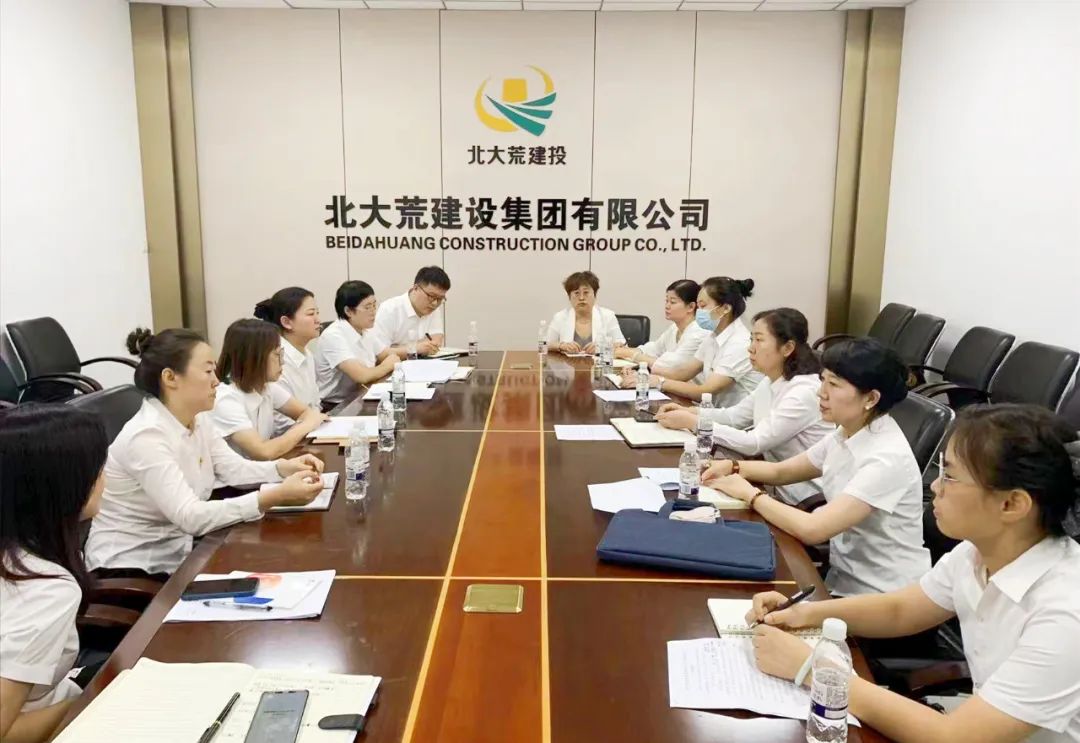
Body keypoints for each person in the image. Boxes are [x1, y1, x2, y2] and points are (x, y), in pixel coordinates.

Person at [746, 404, 1080, 743]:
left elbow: (954, 738)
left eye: (950, 476)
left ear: (1012, 504)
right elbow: (901, 610)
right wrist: (806, 614)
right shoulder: (976, 552)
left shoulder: (1066, 613)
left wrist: (812, 669)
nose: (935, 486)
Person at [85, 328, 325, 578]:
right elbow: (190, 516)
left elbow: (232, 468)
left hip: (181, 551)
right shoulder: (146, 436)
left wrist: (283, 468)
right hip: (134, 568)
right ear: (170, 378)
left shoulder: (197, 419)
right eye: (208, 371)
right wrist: (273, 496)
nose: (217, 381)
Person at [702, 337, 929, 596]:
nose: (821, 392)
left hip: (883, 595)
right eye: (823, 380)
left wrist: (750, 494)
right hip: (842, 579)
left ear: (871, 398)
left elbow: (813, 529)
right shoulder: (848, 432)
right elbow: (782, 472)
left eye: (834, 384)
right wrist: (731, 466)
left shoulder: (886, 458)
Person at [1, 406, 107, 743]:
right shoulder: (45, 588)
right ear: (64, 487)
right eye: (99, 470)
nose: (106, 480)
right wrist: (90, 698)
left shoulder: (19, 552)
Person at [655, 307, 834, 505]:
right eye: (751, 339)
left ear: (787, 348)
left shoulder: (803, 392)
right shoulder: (771, 381)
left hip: (806, 499)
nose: (750, 348)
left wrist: (694, 422)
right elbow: (735, 417)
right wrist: (692, 412)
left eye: (759, 340)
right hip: (774, 487)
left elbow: (754, 443)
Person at [211, 318, 328, 460]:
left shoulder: (267, 387)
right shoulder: (226, 398)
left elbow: (305, 412)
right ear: (254, 358)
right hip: (243, 474)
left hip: (264, 470)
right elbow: (263, 452)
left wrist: (308, 421)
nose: (282, 362)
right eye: (277, 355)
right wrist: (307, 425)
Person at [644, 276, 764, 404]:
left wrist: (660, 382)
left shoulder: (739, 343)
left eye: (703, 306)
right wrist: (643, 378)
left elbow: (706, 391)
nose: (698, 312)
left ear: (725, 308)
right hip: (714, 411)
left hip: (735, 415)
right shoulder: (713, 337)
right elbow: (683, 373)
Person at [316, 281, 402, 406]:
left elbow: (385, 354)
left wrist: (413, 349)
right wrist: (387, 365)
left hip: (361, 395)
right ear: (348, 311)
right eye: (367, 307)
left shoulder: (365, 329)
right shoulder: (333, 336)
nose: (373, 311)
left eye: (374, 305)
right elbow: (362, 376)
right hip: (336, 405)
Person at [253, 286, 323, 436]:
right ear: (286, 322)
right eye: (311, 314)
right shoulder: (275, 358)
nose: (318, 320)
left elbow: (315, 404)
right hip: (289, 439)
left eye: (317, 313)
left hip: (310, 428)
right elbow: (281, 422)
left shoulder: (307, 354)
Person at [614, 279, 710, 374]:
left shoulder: (699, 333)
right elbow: (654, 349)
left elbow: (672, 366)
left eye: (673, 302)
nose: (667, 306)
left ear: (691, 307)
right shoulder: (674, 328)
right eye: (666, 301)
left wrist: (630, 354)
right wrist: (625, 350)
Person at [373, 266, 449, 357]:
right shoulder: (389, 310)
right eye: (431, 296)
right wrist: (415, 349)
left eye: (440, 299)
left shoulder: (433, 308)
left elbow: (435, 342)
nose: (435, 303)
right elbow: (379, 353)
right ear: (415, 288)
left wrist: (399, 348)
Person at [546, 270, 626, 354]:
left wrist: (602, 346)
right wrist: (561, 345)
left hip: (598, 362)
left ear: (595, 295)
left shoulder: (608, 316)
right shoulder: (560, 317)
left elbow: (622, 344)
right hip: (567, 362)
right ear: (569, 297)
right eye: (576, 293)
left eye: (586, 292)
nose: (581, 298)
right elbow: (545, 344)